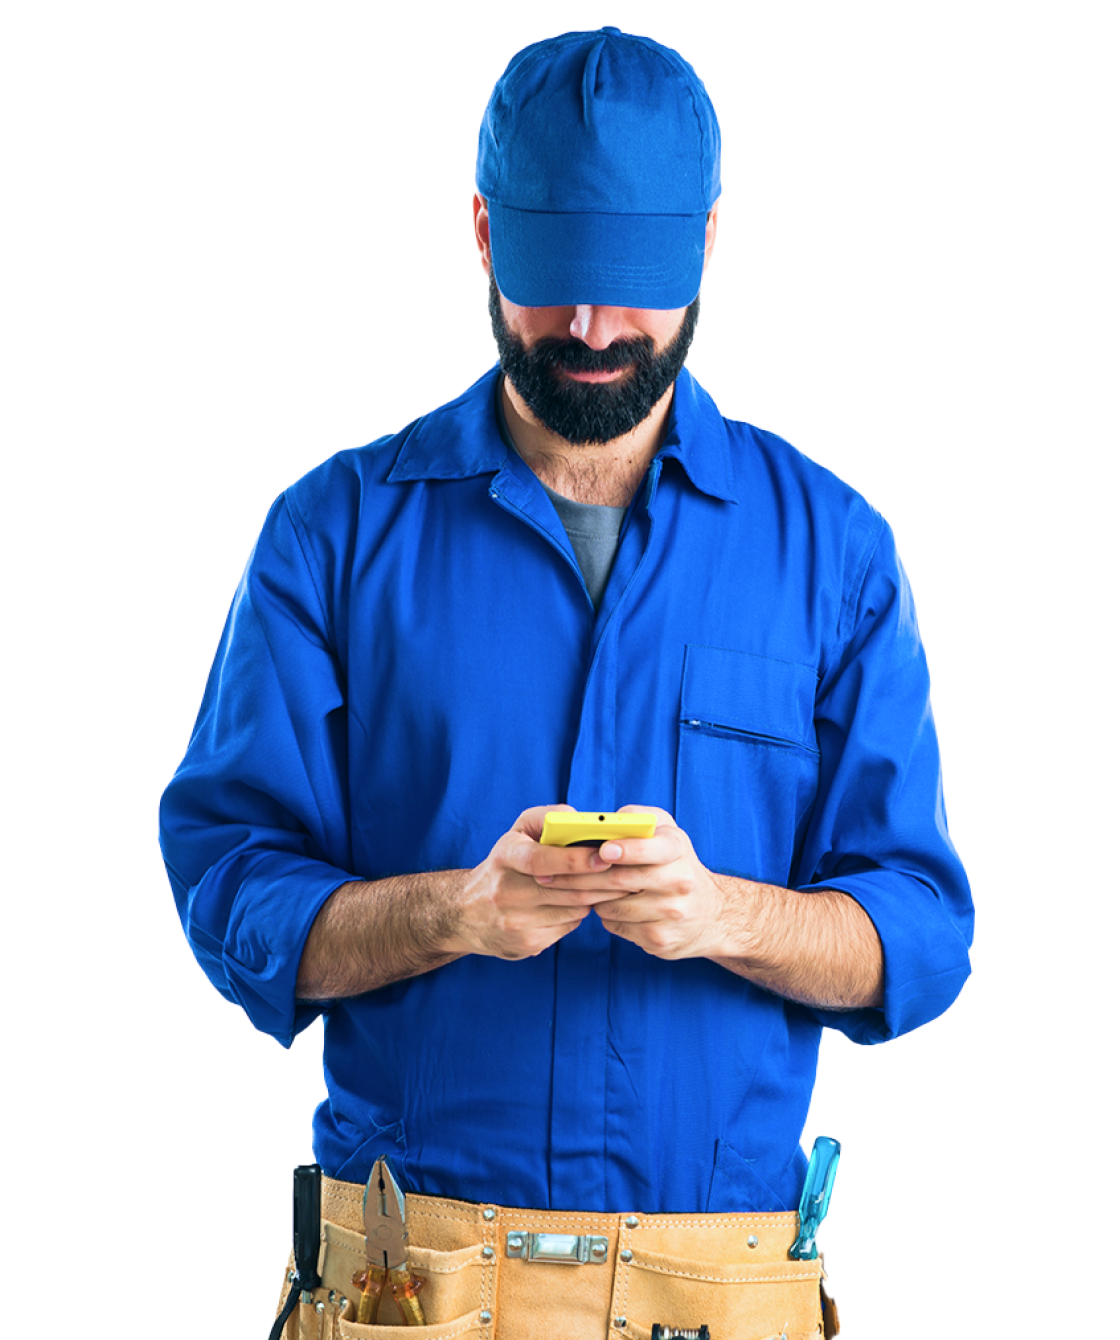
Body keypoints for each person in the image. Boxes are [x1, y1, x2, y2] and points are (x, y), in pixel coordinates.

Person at [158, 25, 973, 1338]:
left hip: (719, 1291)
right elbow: (229, 887)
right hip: (409, 1289)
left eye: (631, 284)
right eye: (555, 282)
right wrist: (457, 912)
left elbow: (921, 938)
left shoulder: (836, 554)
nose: (592, 330)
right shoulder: (330, 534)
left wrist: (721, 917)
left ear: (708, 239)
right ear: (484, 232)